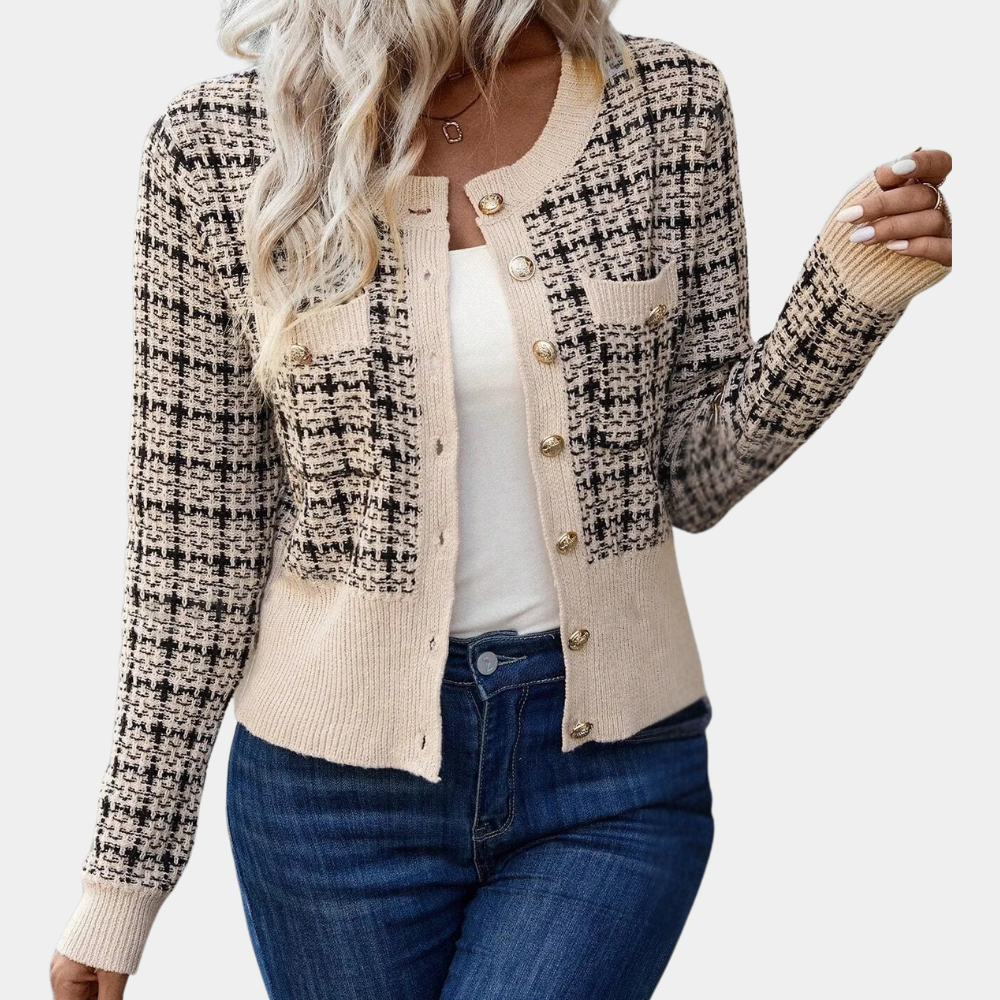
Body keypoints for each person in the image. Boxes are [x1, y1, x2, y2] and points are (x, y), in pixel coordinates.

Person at [50, 2, 953, 998]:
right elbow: (194, 552)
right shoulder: (218, 146)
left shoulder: (666, 105)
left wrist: (846, 299)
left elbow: (691, 477)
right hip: (330, 803)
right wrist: (122, 883)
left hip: (610, 774)